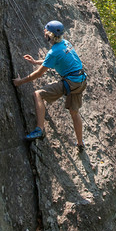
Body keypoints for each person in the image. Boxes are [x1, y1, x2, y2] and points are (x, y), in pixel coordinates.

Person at [13, 20, 88, 152]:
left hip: (71, 82)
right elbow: (53, 60)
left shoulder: (53, 52)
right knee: (74, 112)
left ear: (49, 35)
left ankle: (40, 129)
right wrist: (36, 61)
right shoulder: (66, 43)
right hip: (81, 80)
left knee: (38, 94)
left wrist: (19, 82)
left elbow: (38, 74)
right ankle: (80, 143)